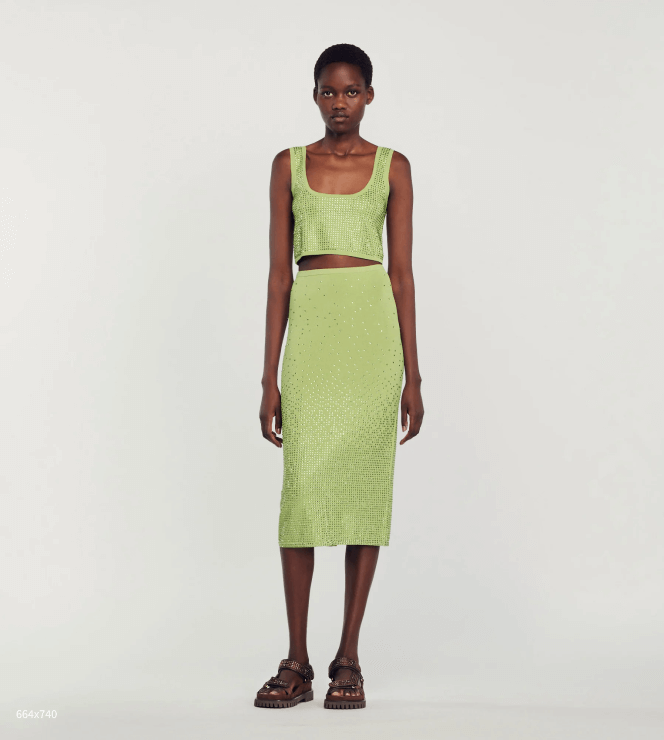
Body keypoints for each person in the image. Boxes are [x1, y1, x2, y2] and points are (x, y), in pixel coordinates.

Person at [255, 43, 424, 710]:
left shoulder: (393, 167)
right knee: (300, 497)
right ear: (315, 95)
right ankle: (295, 660)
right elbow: (278, 276)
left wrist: (413, 376)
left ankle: (347, 657)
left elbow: (402, 275)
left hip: (372, 340)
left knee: (363, 493)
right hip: (313, 335)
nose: (339, 103)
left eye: (351, 91)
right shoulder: (288, 165)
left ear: (370, 95)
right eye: (329, 91)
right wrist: (268, 378)